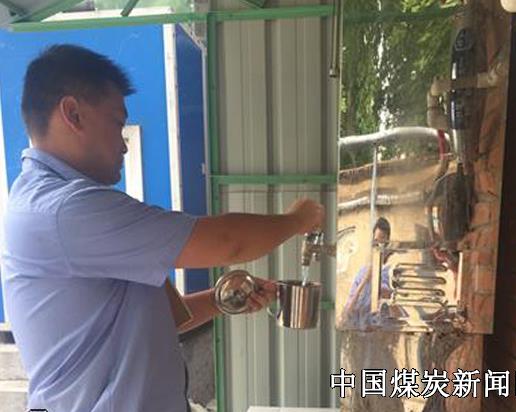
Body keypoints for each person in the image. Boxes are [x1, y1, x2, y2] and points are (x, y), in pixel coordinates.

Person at [0, 45, 325, 412]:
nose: (124, 146)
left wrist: (222, 300)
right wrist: (299, 219)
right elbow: (228, 242)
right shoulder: (63, 211)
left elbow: (155, 320)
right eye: (117, 123)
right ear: (73, 113)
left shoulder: (55, 206)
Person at [339, 217, 392, 330]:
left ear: (387, 241)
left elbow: (388, 298)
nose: (379, 245)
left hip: (380, 334)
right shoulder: (362, 272)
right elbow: (346, 313)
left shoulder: (390, 272)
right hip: (358, 332)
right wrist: (365, 280)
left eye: (382, 240)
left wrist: (377, 279)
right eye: (376, 241)